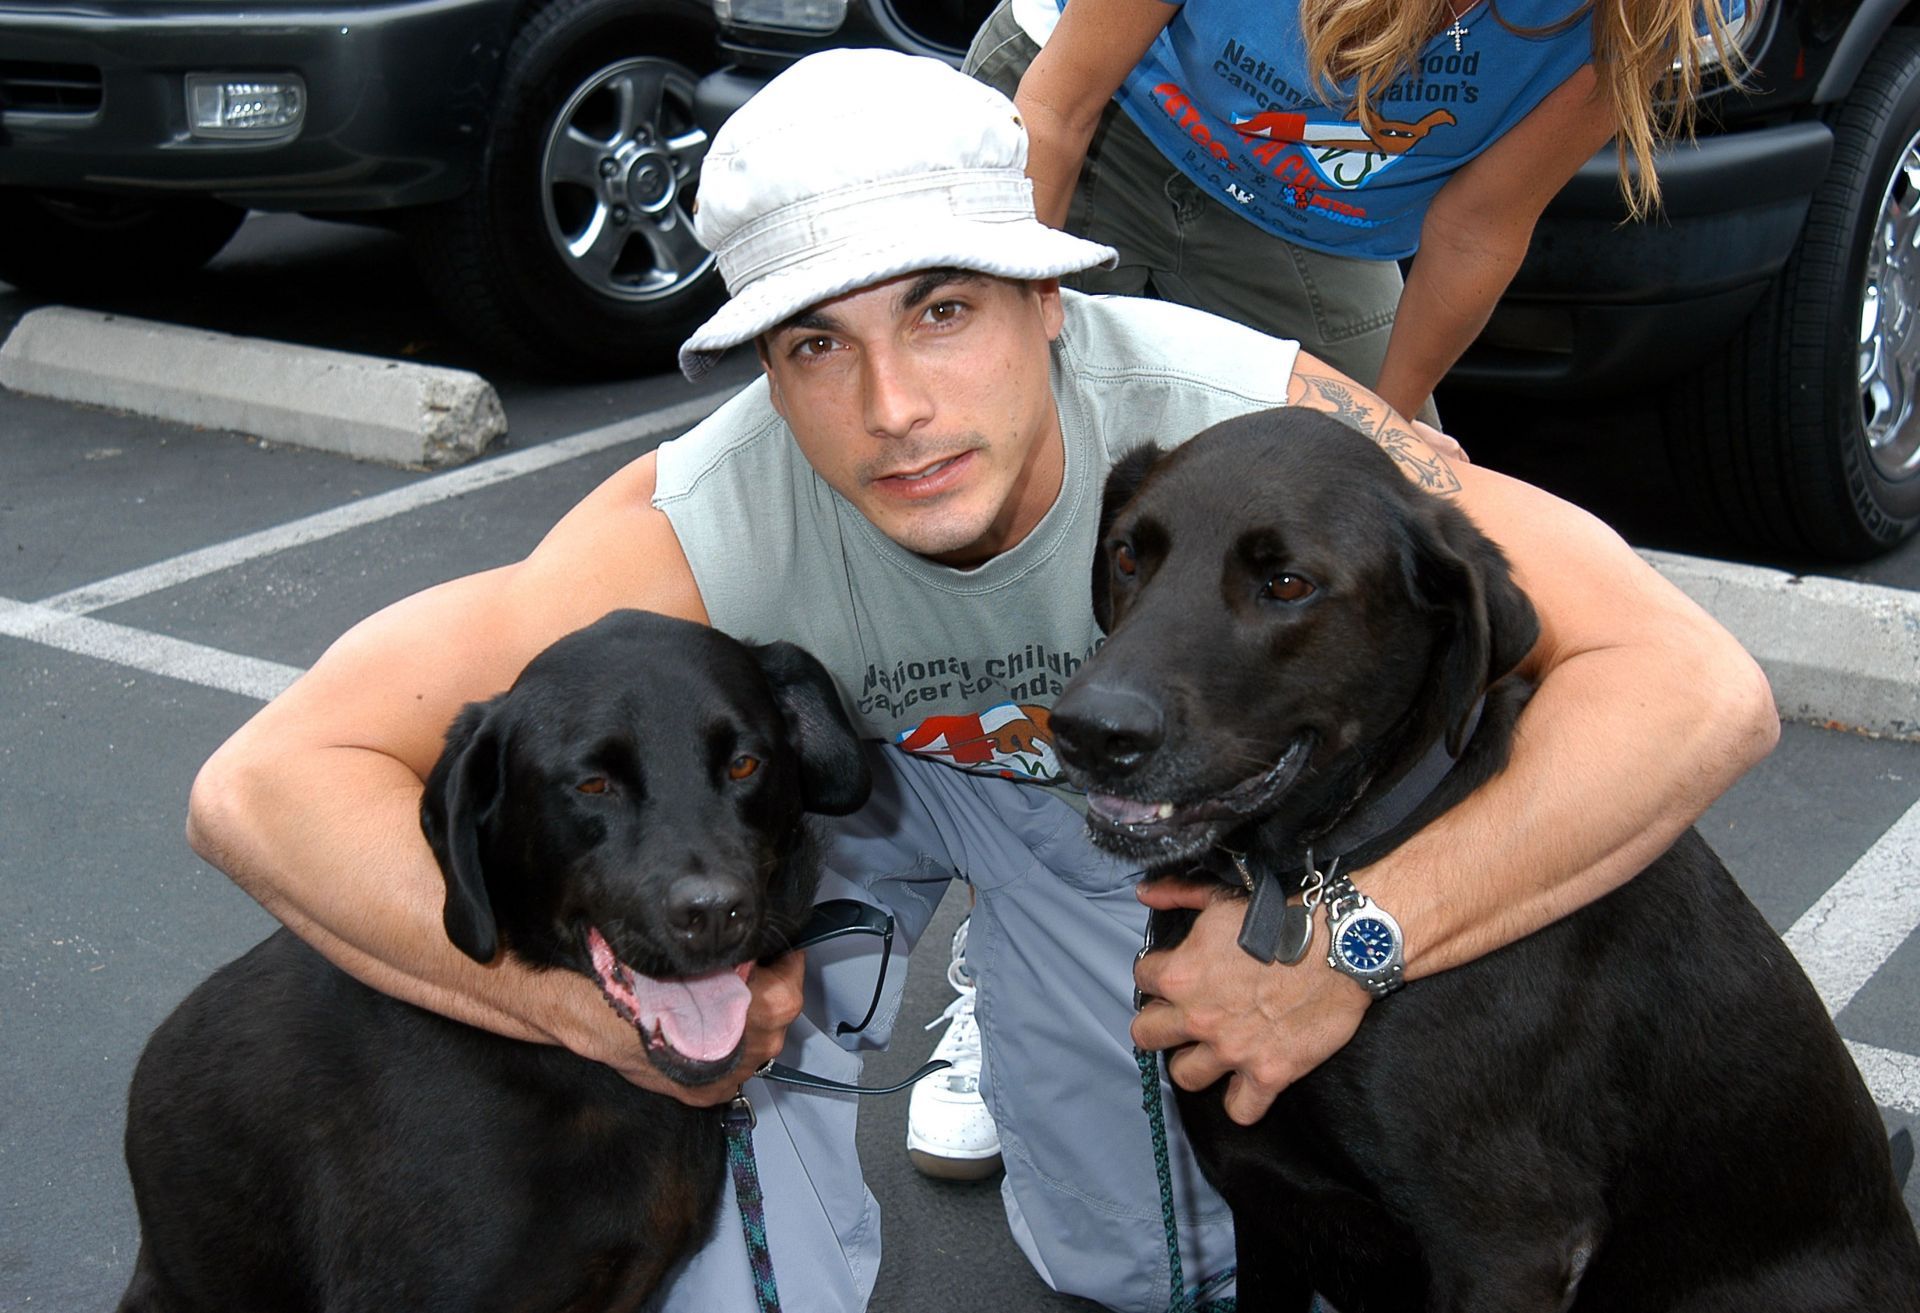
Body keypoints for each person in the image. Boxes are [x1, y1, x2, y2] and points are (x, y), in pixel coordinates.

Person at [183, 47, 1777, 1312]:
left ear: (1043, 298)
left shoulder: (1246, 419)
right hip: (790, 814)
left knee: (1145, 1269)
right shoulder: (693, 527)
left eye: (941, 311)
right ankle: (899, 986)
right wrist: (583, 1005)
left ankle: (1014, 992)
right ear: (762, 367)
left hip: (1098, 805)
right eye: (816, 344)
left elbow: (1696, 688)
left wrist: (1353, 944)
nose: (890, 405)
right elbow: (261, 786)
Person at [963, 0, 1742, 422]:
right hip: (1100, 121)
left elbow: (1478, 225)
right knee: (981, 419)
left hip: (1307, 210)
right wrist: (1015, 344)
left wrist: (1385, 433)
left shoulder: (1651, 11)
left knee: (1388, 502)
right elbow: (1061, 105)